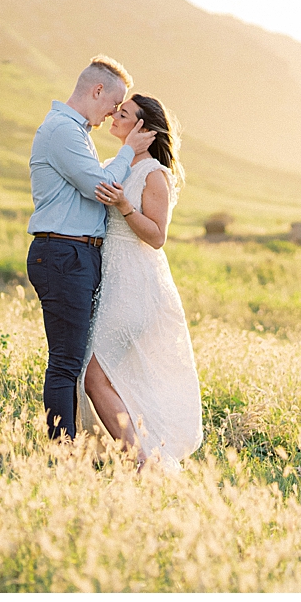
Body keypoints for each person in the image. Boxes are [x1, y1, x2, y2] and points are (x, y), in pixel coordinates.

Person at [26, 56, 156, 442]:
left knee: (72, 362)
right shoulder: (62, 131)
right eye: (113, 105)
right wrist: (129, 150)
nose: (111, 116)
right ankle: (61, 453)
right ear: (97, 90)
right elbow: (100, 187)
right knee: (66, 364)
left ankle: (74, 447)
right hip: (63, 254)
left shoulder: (75, 132)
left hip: (73, 255)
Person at [80, 94, 203, 470]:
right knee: (111, 376)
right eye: (117, 111)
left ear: (145, 131)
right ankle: (130, 457)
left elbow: (156, 235)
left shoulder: (153, 174)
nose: (115, 117)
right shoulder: (114, 165)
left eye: (125, 114)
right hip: (110, 281)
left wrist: (124, 206)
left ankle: (141, 463)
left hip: (136, 284)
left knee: (94, 378)